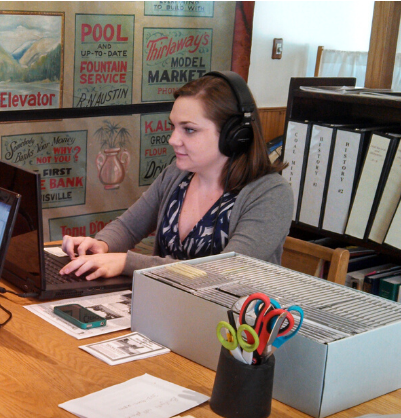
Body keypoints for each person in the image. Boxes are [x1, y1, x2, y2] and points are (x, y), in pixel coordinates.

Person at [60, 71, 293, 281]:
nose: (173, 139)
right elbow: (129, 227)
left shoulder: (271, 195)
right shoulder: (177, 174)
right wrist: (101, 244)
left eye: (189, 129)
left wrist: (126, 263)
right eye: (173, 126)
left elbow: (223, 273)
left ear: (235, 135)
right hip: (167, 311)